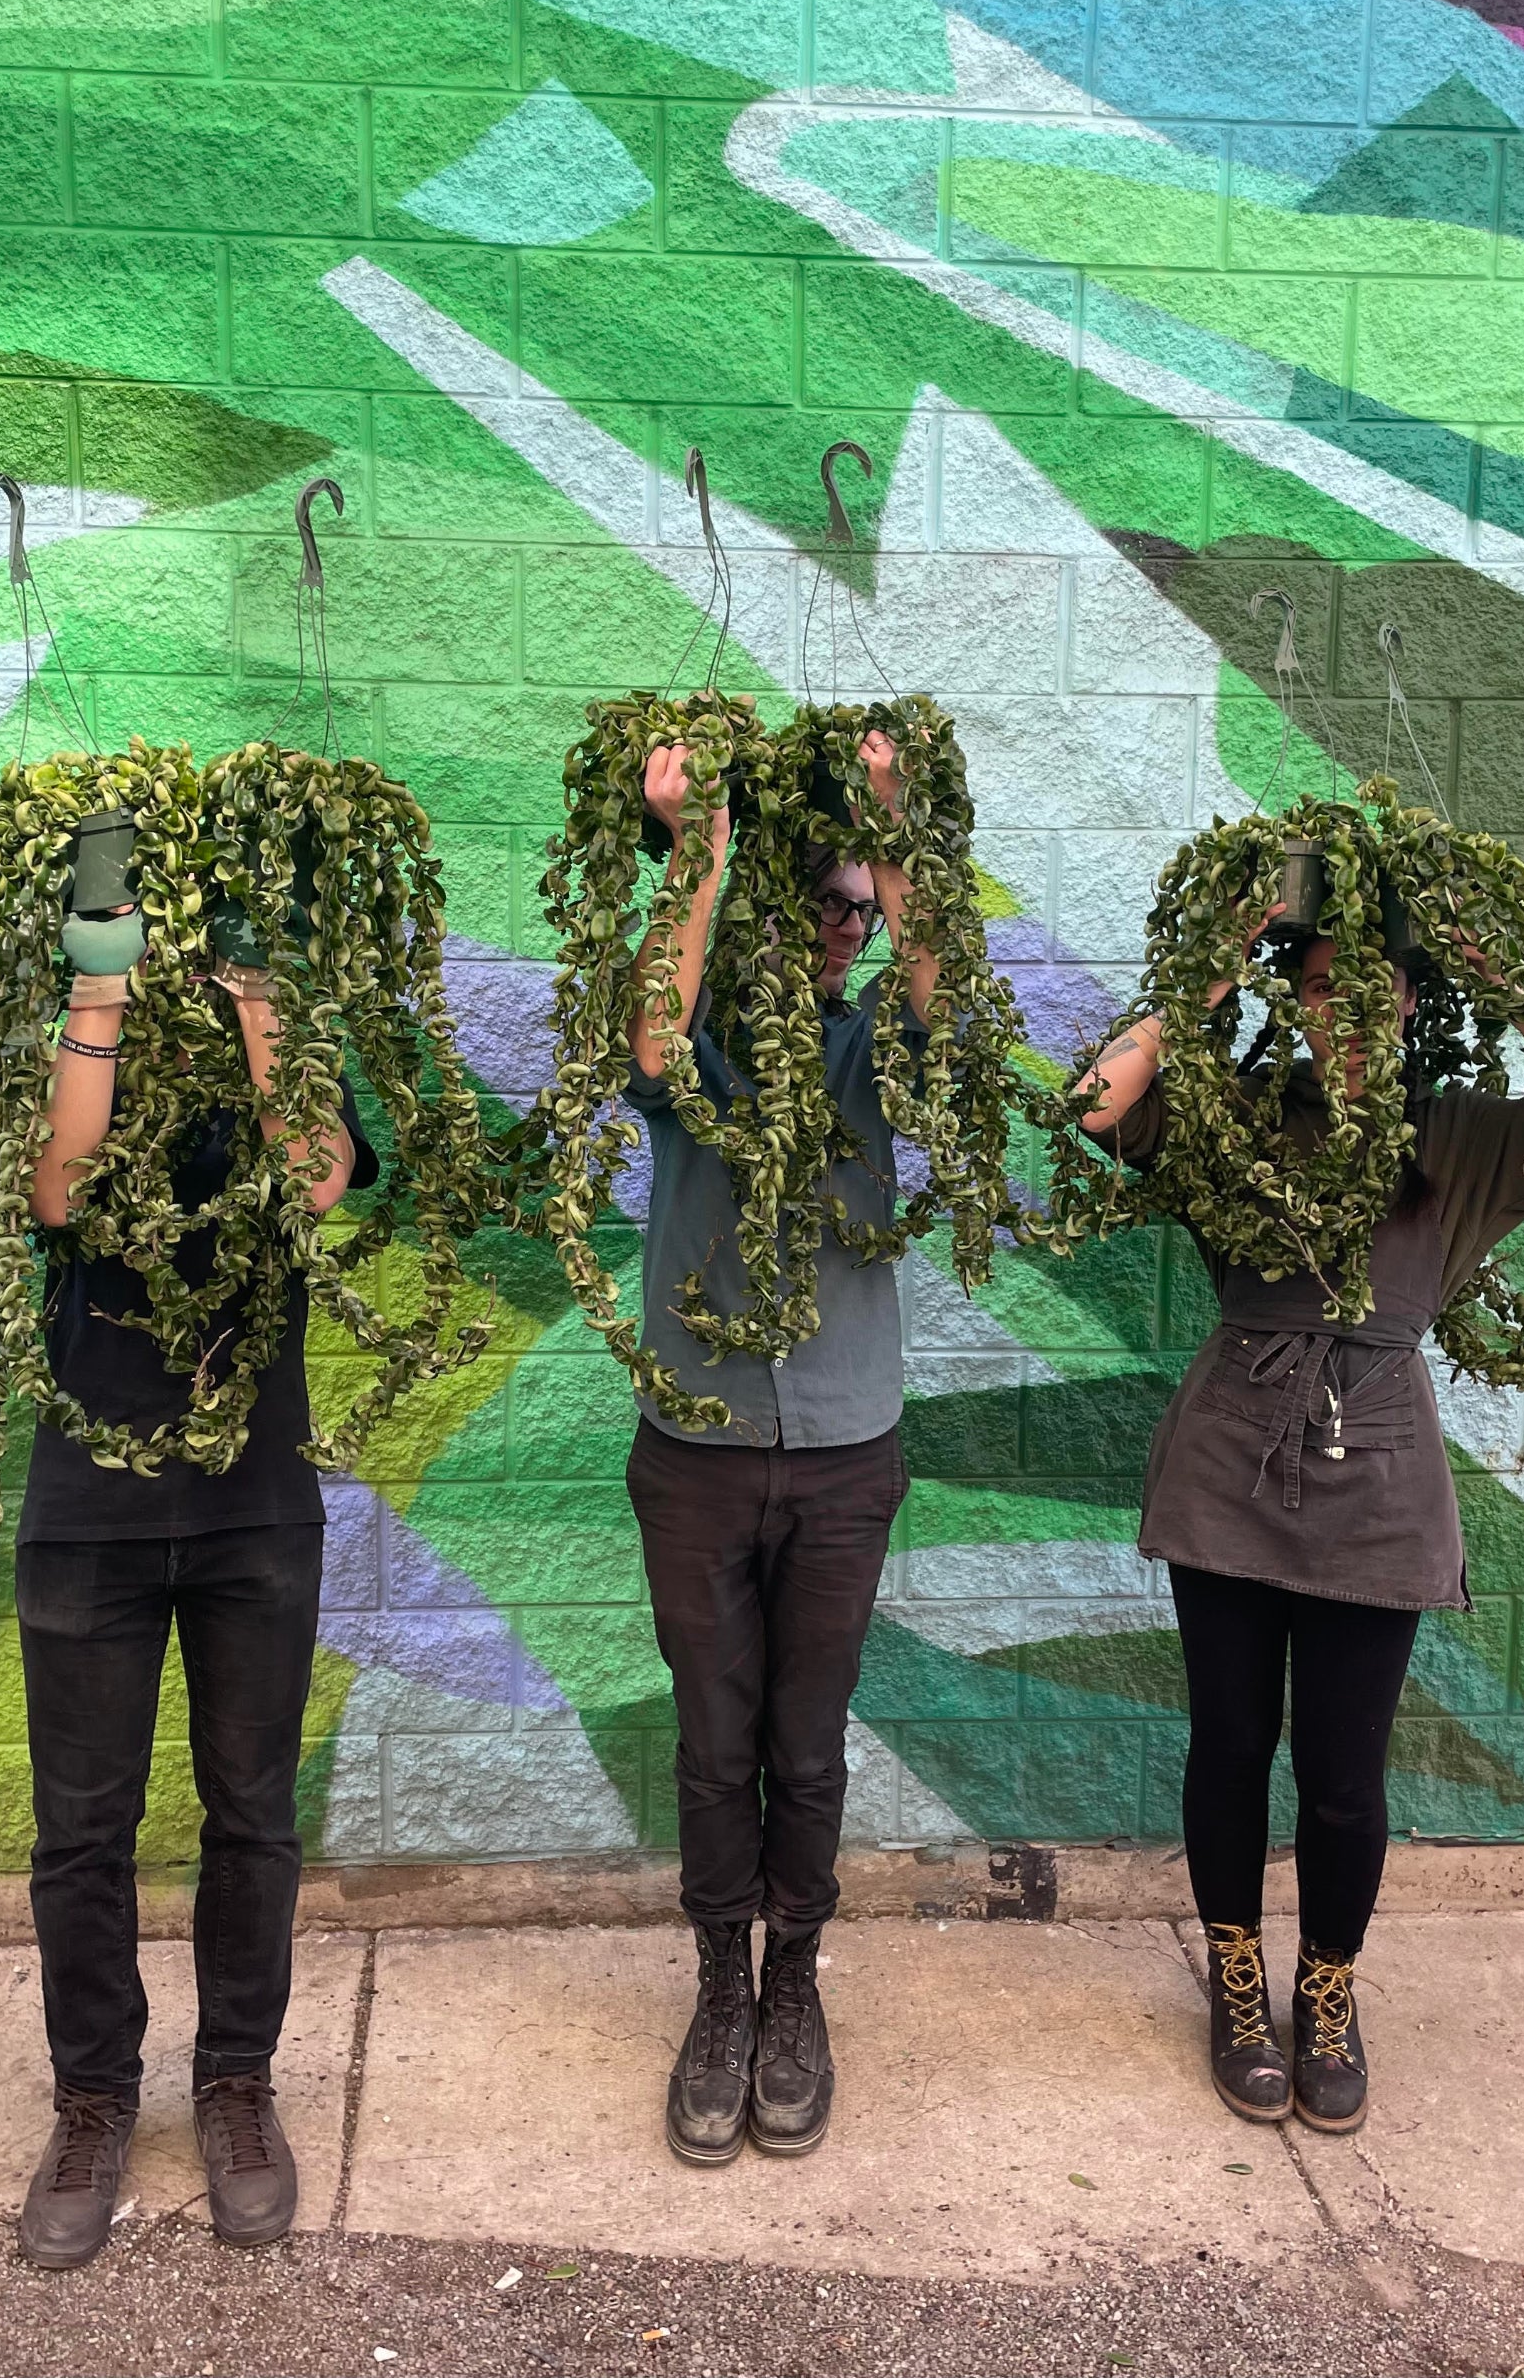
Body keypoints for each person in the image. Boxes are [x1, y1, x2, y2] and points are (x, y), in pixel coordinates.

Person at [1074, 914, 1524, 2134]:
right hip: (1228, 1450)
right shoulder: (1236, 1112)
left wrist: (1503, 968)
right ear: (1294, 997)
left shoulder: (1460, 1137)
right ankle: (1239, 1980)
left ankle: (1326, 1985)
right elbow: (1092, 1100)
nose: (1349, 1012)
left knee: (1344, 1776)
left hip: (1381, 1469)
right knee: (1231, 1741)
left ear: (1411, 1005)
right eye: (1325, 987)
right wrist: (1214, 964)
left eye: (1375, 990)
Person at [14, 847, 377, 2269]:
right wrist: (96, 991)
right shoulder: (65, 1051)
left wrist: (259, 987)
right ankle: (93, 2099)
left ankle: (236, 2083)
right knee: (81, 1831)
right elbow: (60, 1196)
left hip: (252, 1503)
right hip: (86, 1507)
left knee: (252, 1815)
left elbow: (314, 1181)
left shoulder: (286, 1047)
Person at [623, 731, 936, 2167]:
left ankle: (792, 1983)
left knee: (806, 1744)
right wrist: (696, 850)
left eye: (855, 909)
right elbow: (642, 1033)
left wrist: (895, 826)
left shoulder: (879, 1041)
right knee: (710, 1739)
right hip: (691, 1444)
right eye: (813, 901)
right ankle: (716, 1989)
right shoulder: (700, 1045)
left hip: (844, 1453)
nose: (836, 927)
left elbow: (943, 1007)